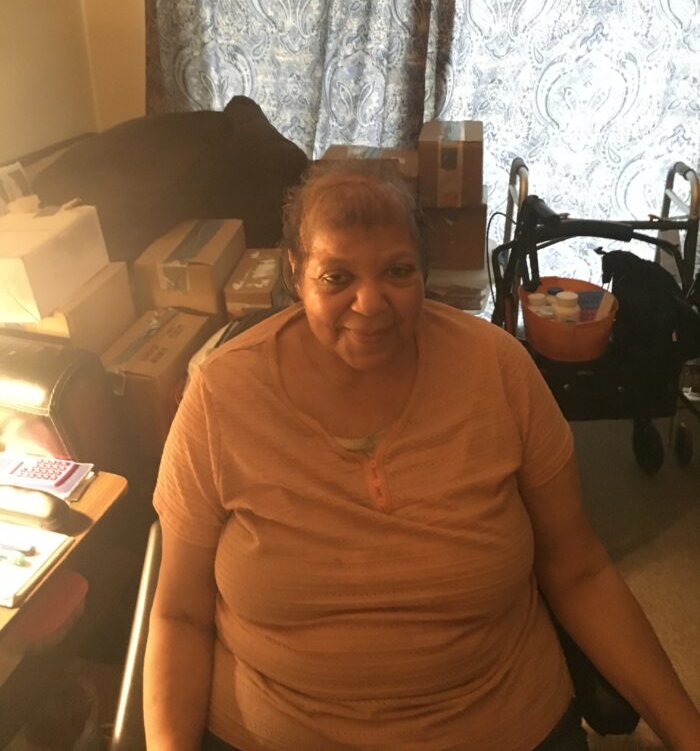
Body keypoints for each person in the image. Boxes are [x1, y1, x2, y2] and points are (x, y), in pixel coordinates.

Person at [144, 161, 700, 751]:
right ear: (296, 274)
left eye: (397, 271)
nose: (370, 303)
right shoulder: (221, 396)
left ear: (425, 271)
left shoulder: (498, 370)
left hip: (501, 723)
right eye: (336, 277)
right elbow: (178, 614)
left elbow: (581, 570)